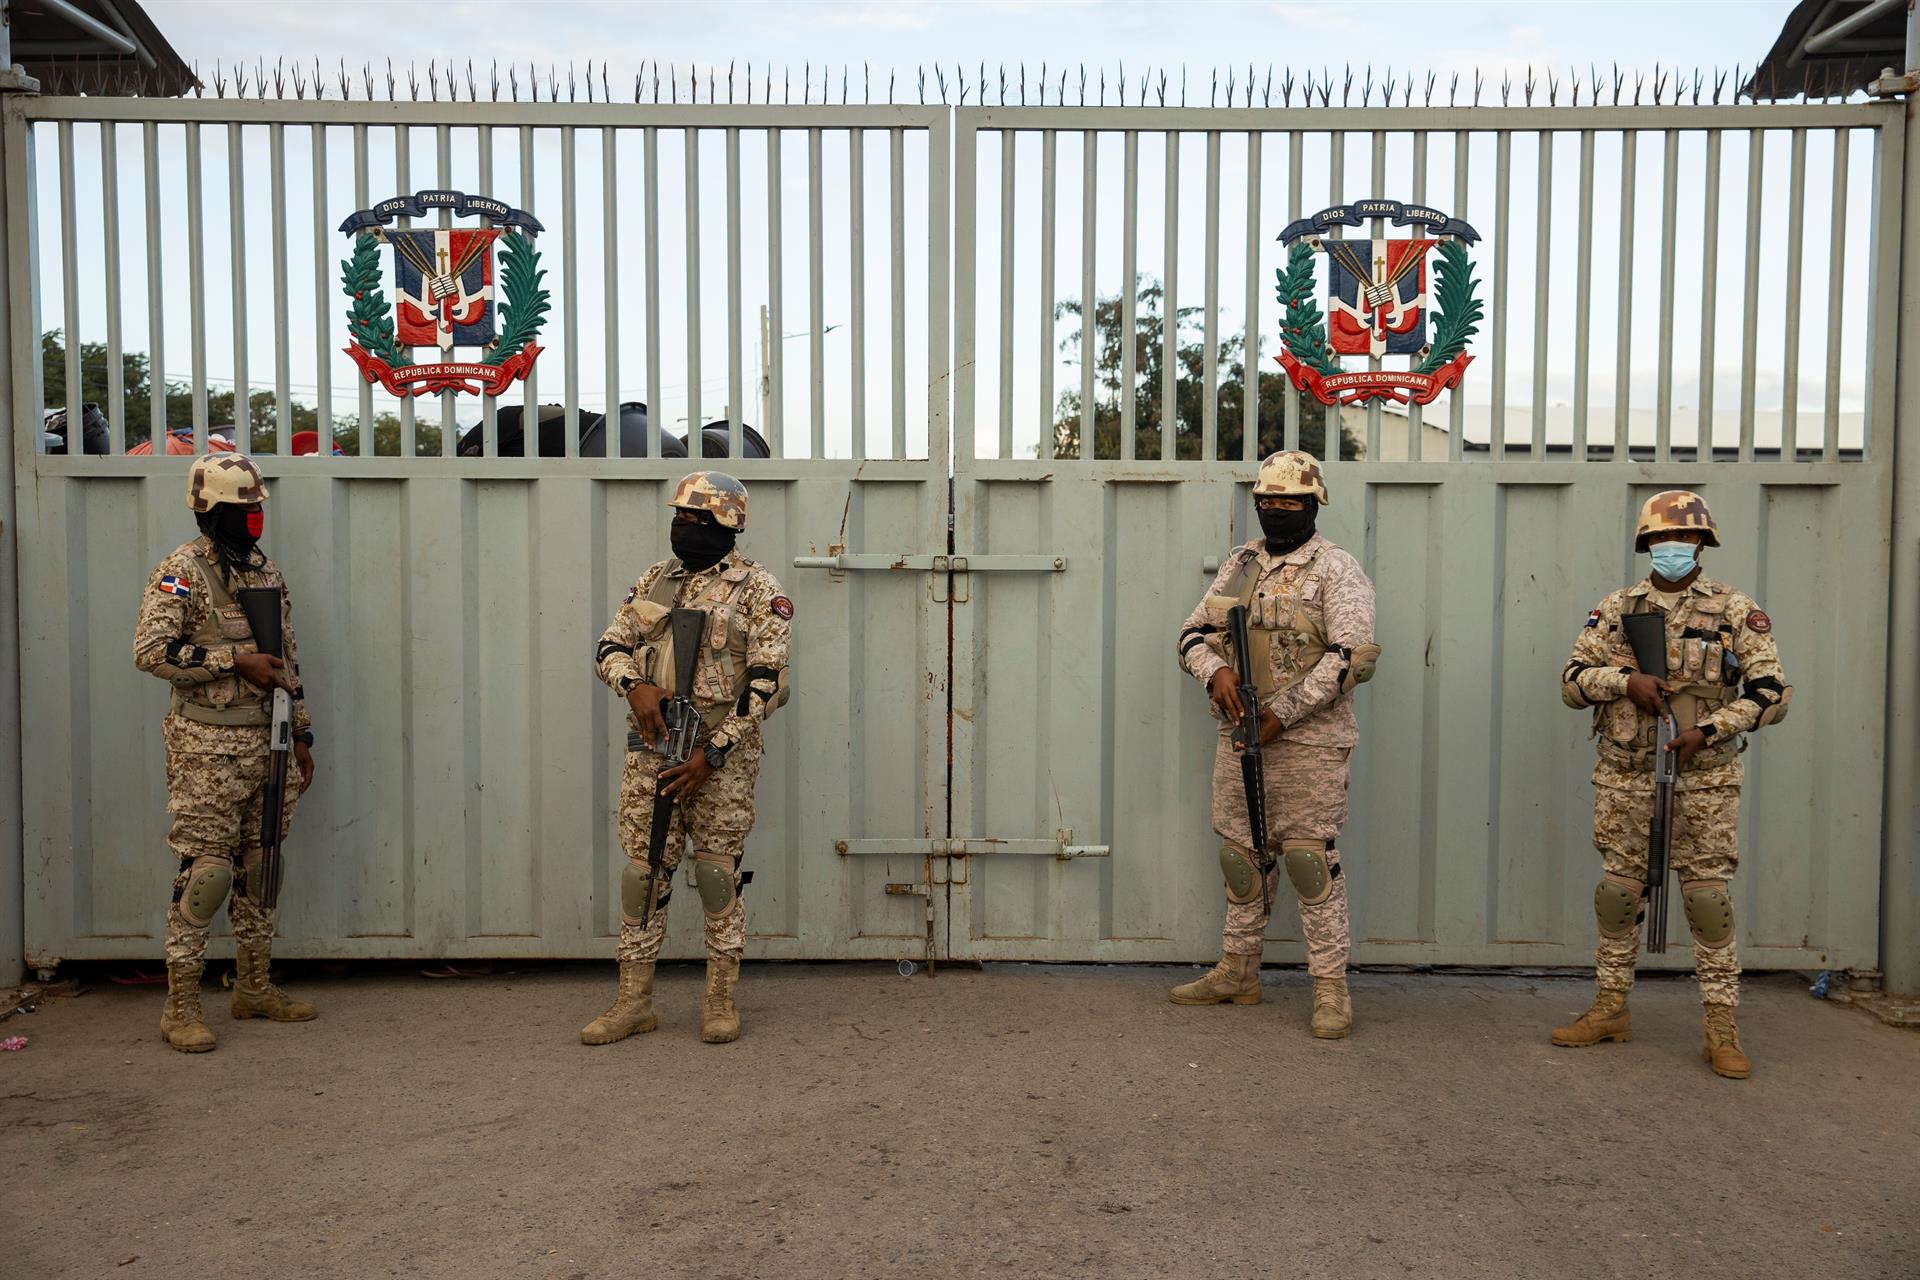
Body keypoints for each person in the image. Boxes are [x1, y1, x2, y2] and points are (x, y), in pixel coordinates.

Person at [1554, 490, 1792, 1079]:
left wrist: (1711, 729)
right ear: (1646, 544)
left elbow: (1772, 693)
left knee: (1706, 900)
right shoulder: (1617, 607)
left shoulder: (1735, 609)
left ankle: (1721, 1027)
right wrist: (1624, 681)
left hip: (1705, 779)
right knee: (1618, 895)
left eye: (1684, 539)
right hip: (1626, 774)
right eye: (1661, 539)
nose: (1673, 548)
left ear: (1703, 544)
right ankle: (1611, 1009)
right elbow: (1572, 681)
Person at [1170, 451, 1380, 1038]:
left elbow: (1352, 657)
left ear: (1313, 504)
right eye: (1268, 501)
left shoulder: (1336, 569)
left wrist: (1282, 716)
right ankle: (1238, 971)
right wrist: (1214, 671)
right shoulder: (1241, 565)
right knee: (1242, 855)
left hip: (1309, 740)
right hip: (1241, 732)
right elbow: (1192, 633)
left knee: (1310, 860)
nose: (1278, 511)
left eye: (1290, 502)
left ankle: (1331, 990)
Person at [585, 471, 792, 1046]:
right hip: (653, 749)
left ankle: (720, 1000)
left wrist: (713, 753)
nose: (683, 529)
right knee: (642, 875)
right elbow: (610, 645)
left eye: (696, 521)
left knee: (715, 875)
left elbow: (767, 682)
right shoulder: (657, 579)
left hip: (719, 757)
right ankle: (633, 1002)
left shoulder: (757, 589)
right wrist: (634, 687)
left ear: (728, 525)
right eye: (678, 518)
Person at [132, 452, 317, 1052]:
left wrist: (304, 732)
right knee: (206, 874)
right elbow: (150, 652)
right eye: (243, 509)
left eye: (258, 506)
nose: (254, 518)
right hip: (207, 748)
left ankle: (254, 987)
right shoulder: (181, 571)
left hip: (271, 740)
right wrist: (230, 660)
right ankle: (180, 1006)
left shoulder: (265, 572)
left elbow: (285, 656)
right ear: (209, 510)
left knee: (261, 868)